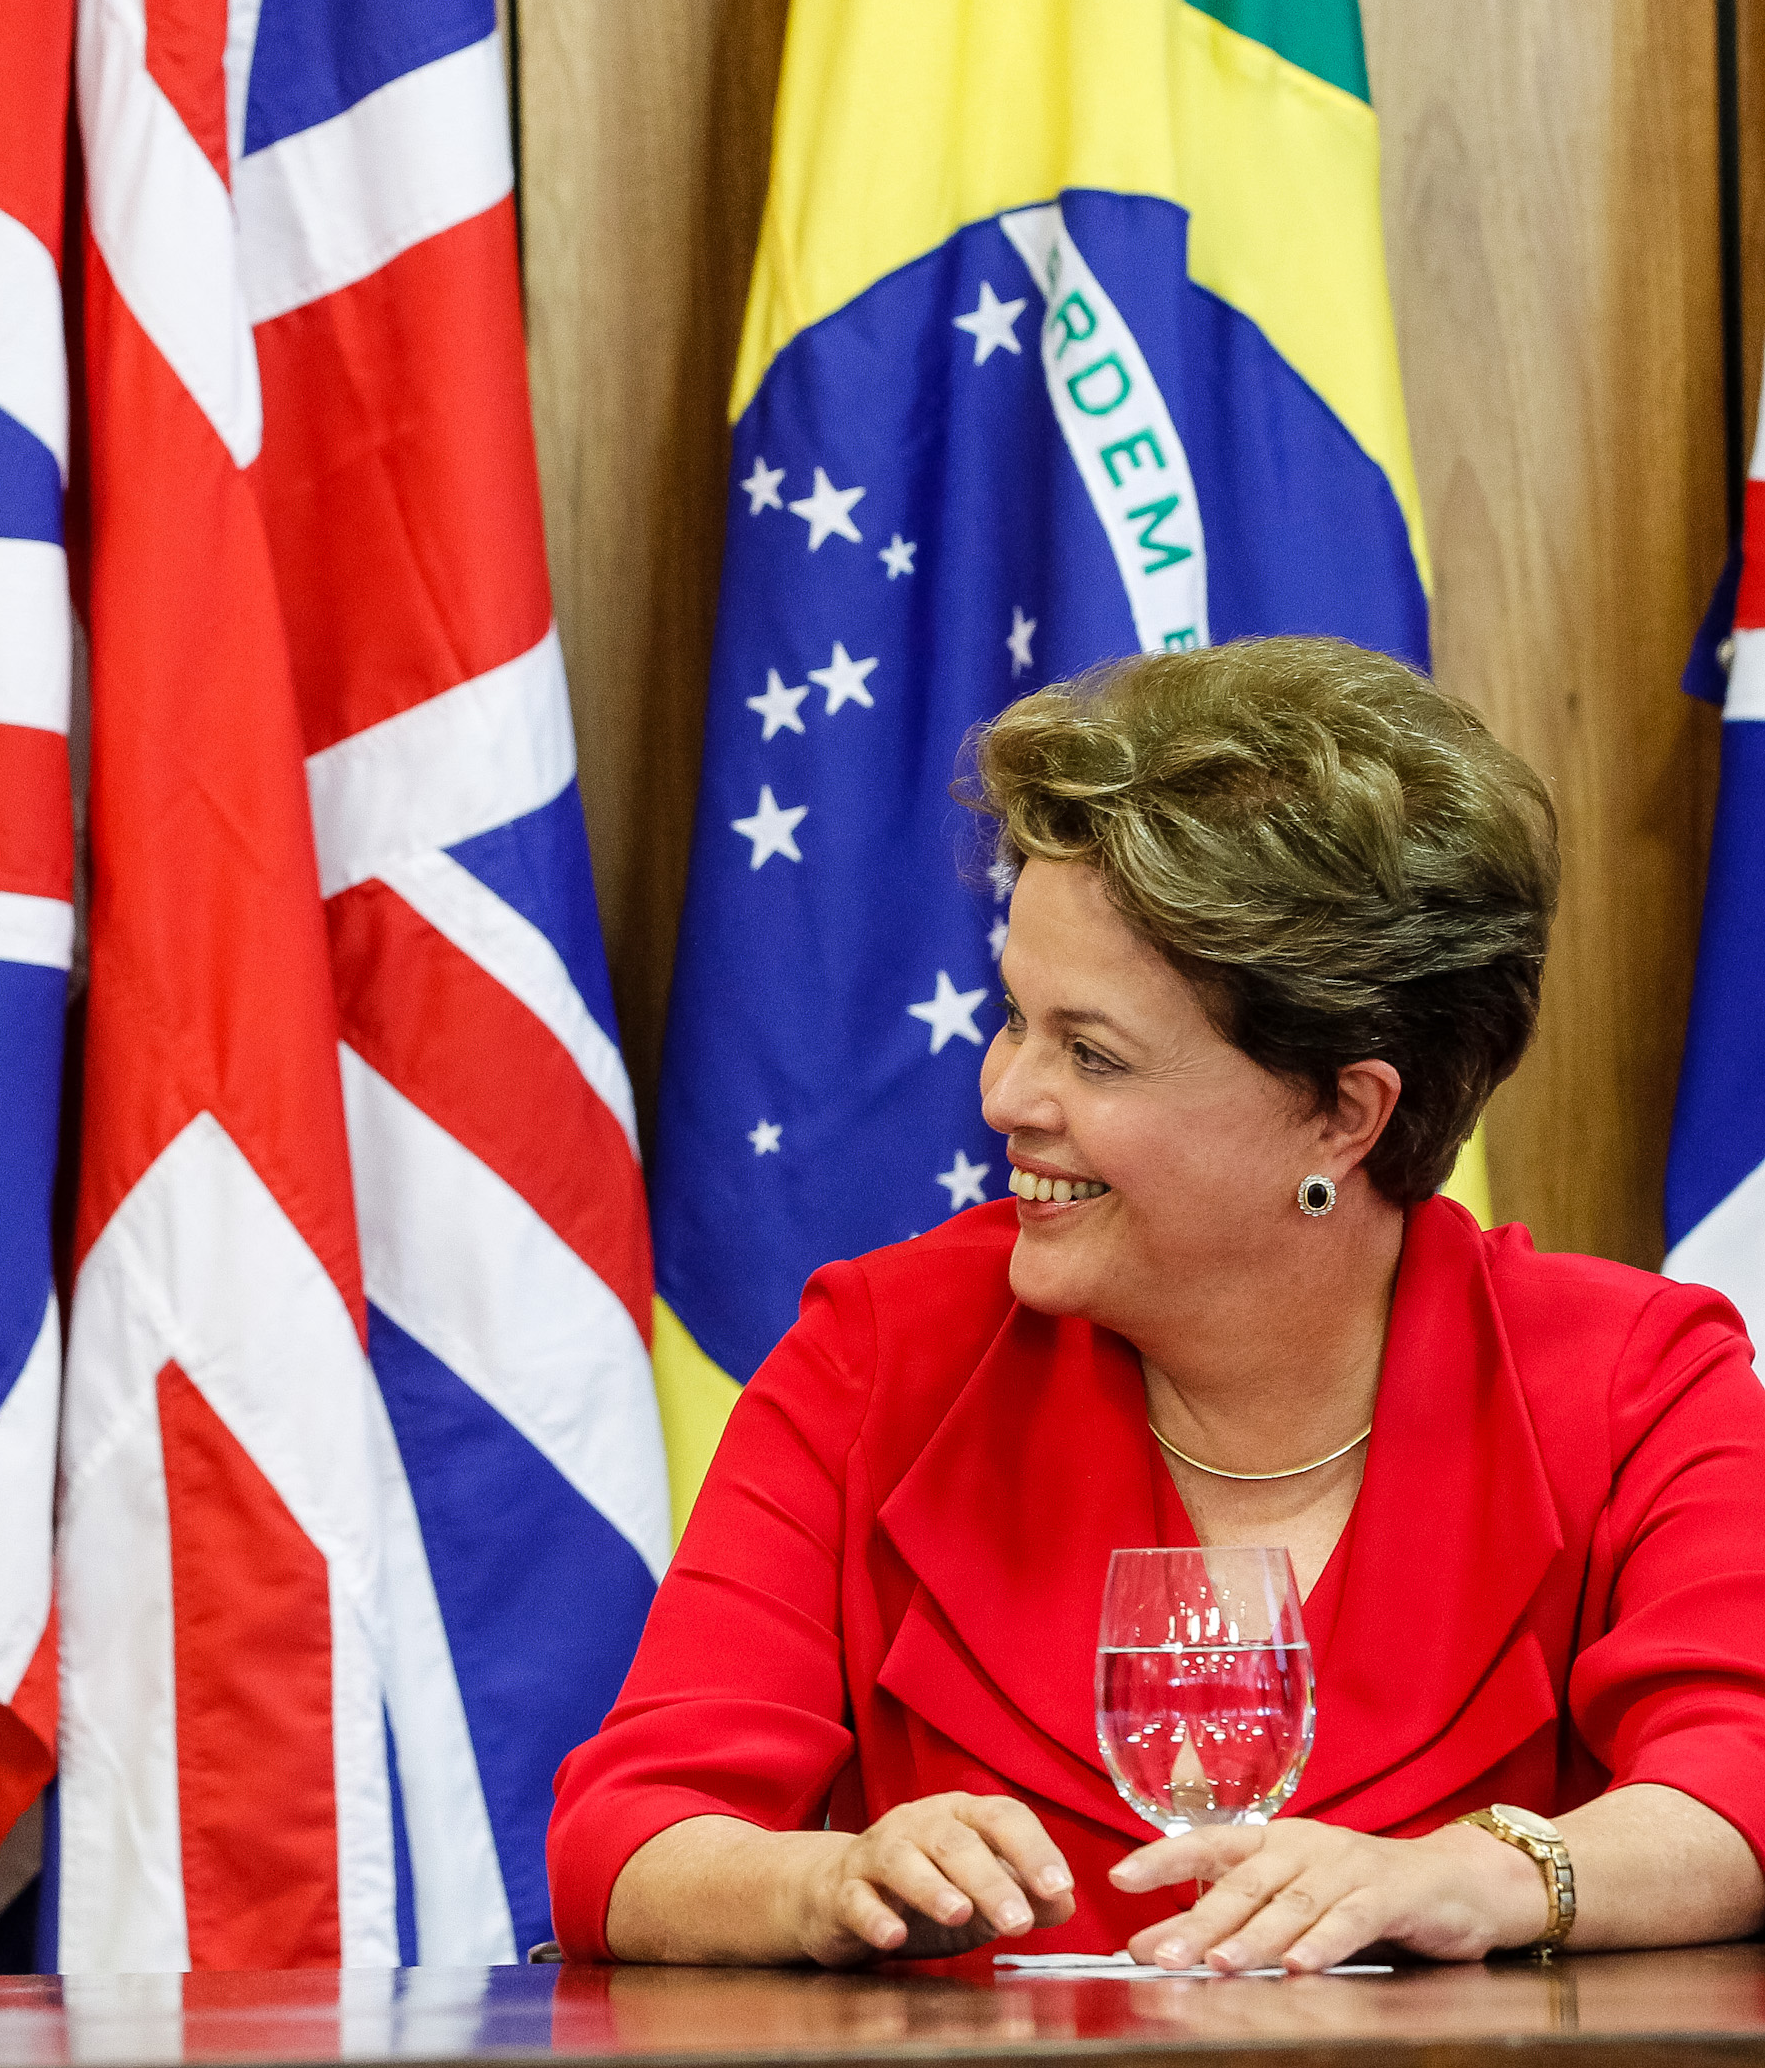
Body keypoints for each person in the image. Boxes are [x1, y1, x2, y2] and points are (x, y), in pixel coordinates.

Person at [550, 636, 1765, 1974]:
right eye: (1014, 1020)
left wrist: (1482, 1875)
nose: (1005, 1095)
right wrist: (825, 1878)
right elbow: (630, 1833)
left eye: (1089, 1051)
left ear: (1341, 1111)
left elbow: (1740, 1784)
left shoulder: (1634, 1377)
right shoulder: (880, 1352)